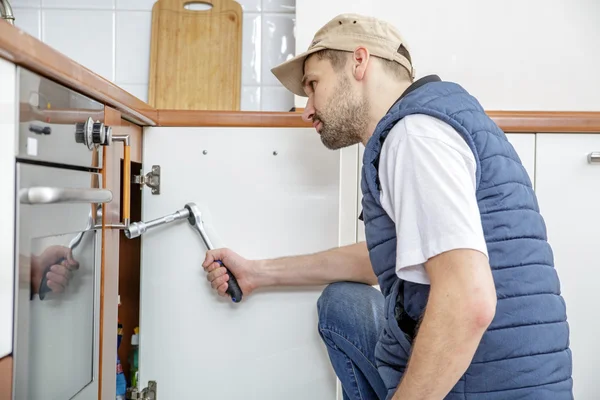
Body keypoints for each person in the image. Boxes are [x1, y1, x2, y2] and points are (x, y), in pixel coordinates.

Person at [202, 13, 573, 400]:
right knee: (344, 303)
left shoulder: (414, 136)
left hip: (486, 388)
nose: (308, 109)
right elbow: (389, 259)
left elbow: (468, 301)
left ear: (359, 62)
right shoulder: (432, 121)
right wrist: (259, 273)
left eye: (313, 85)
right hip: (506, 377)